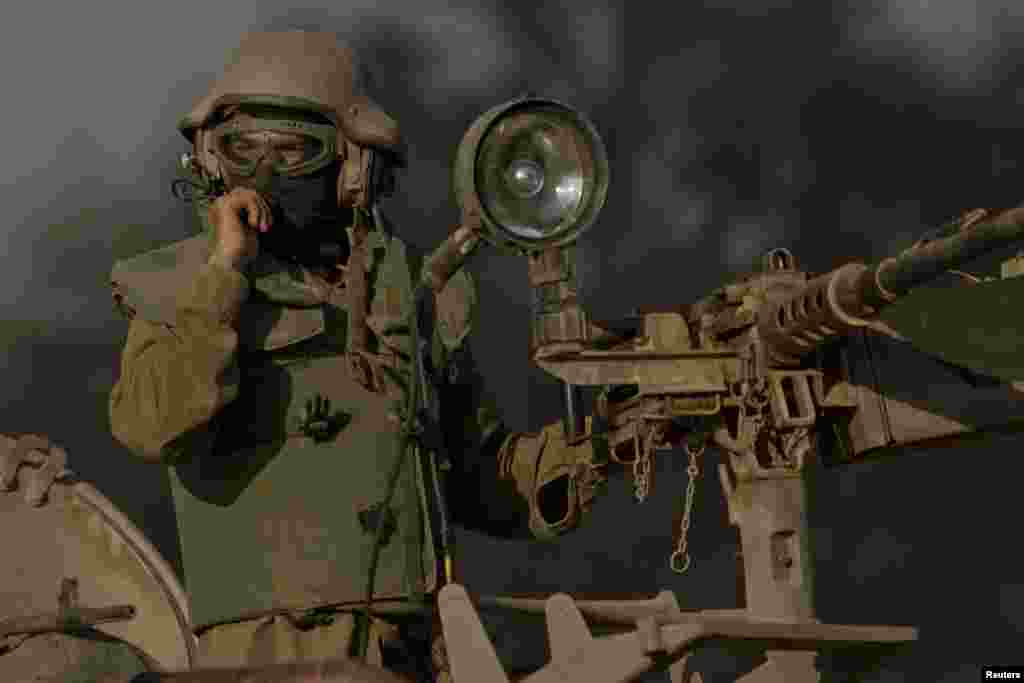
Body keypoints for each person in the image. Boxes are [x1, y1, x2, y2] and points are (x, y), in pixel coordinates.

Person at [108, 31, 606, 680]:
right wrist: (225, 273)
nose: (263, 174)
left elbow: (475, 474)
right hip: (269, 657)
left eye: (292, 151)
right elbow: (150, 423)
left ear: (351, 166)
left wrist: (586, 454)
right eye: (242, 149)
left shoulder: (405, 291)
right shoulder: (183, 290)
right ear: (209, 161)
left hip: (416, 645)